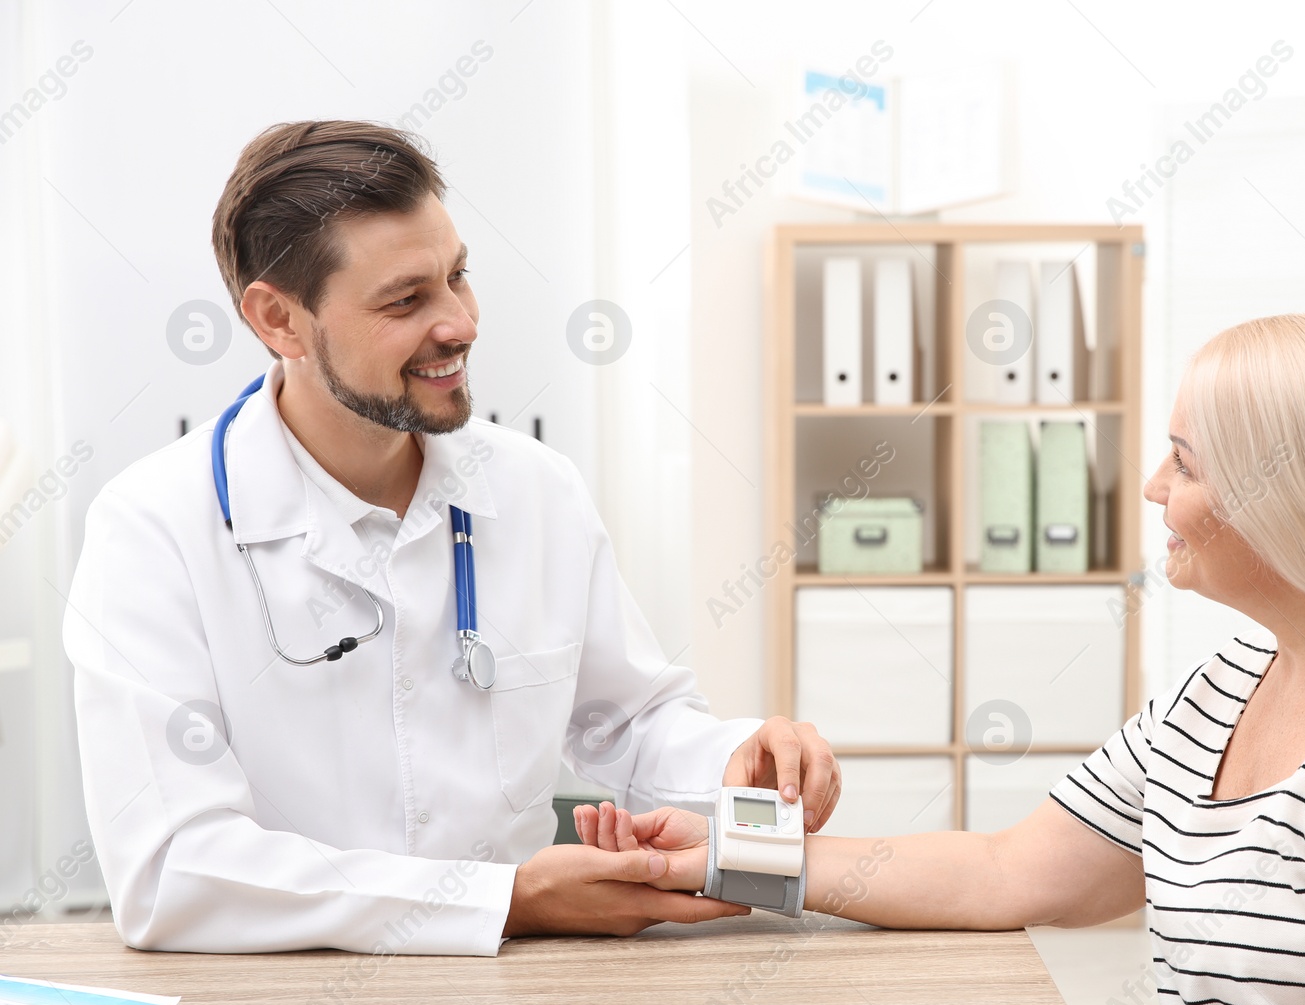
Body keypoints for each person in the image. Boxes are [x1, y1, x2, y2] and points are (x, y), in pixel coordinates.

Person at [578, 313, 1305, 1005]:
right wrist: (724, 851)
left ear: (1293, 500)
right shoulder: (1236, 679)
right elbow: (1004, 870)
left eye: (1185, 462)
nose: (1153, 485)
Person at [63, 120, 840, 956]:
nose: (461, 322)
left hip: (509, 1000)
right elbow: (173, 870)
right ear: (278, 319)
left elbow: (630, 719)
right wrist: (506, 899)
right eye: (406, 300)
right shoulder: (151, 529)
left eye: (459, 276)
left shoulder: (537, 490)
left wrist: (738, 760)